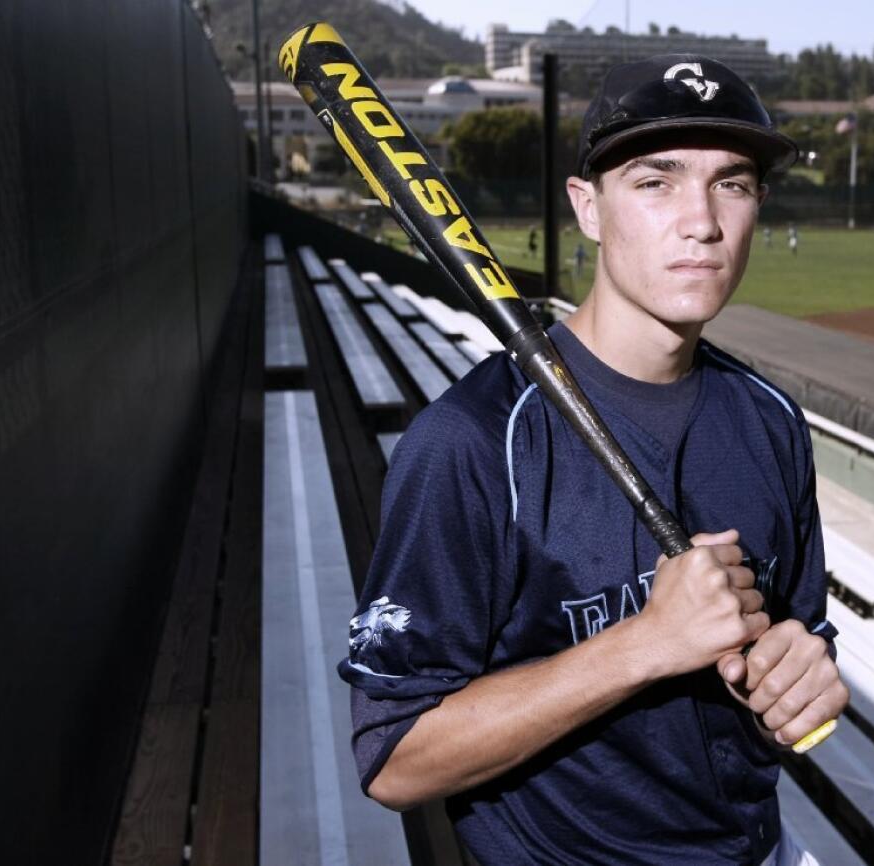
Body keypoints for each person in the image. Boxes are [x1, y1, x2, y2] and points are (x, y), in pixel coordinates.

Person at [339, 54, 847, 866]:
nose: (703, 222)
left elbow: (798, 634)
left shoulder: (771, 422)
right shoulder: (471, 442)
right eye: (656, 182)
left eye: (734, 183)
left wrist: (802, 668)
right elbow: (395, 760)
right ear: (589, 208)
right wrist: (645, 644)